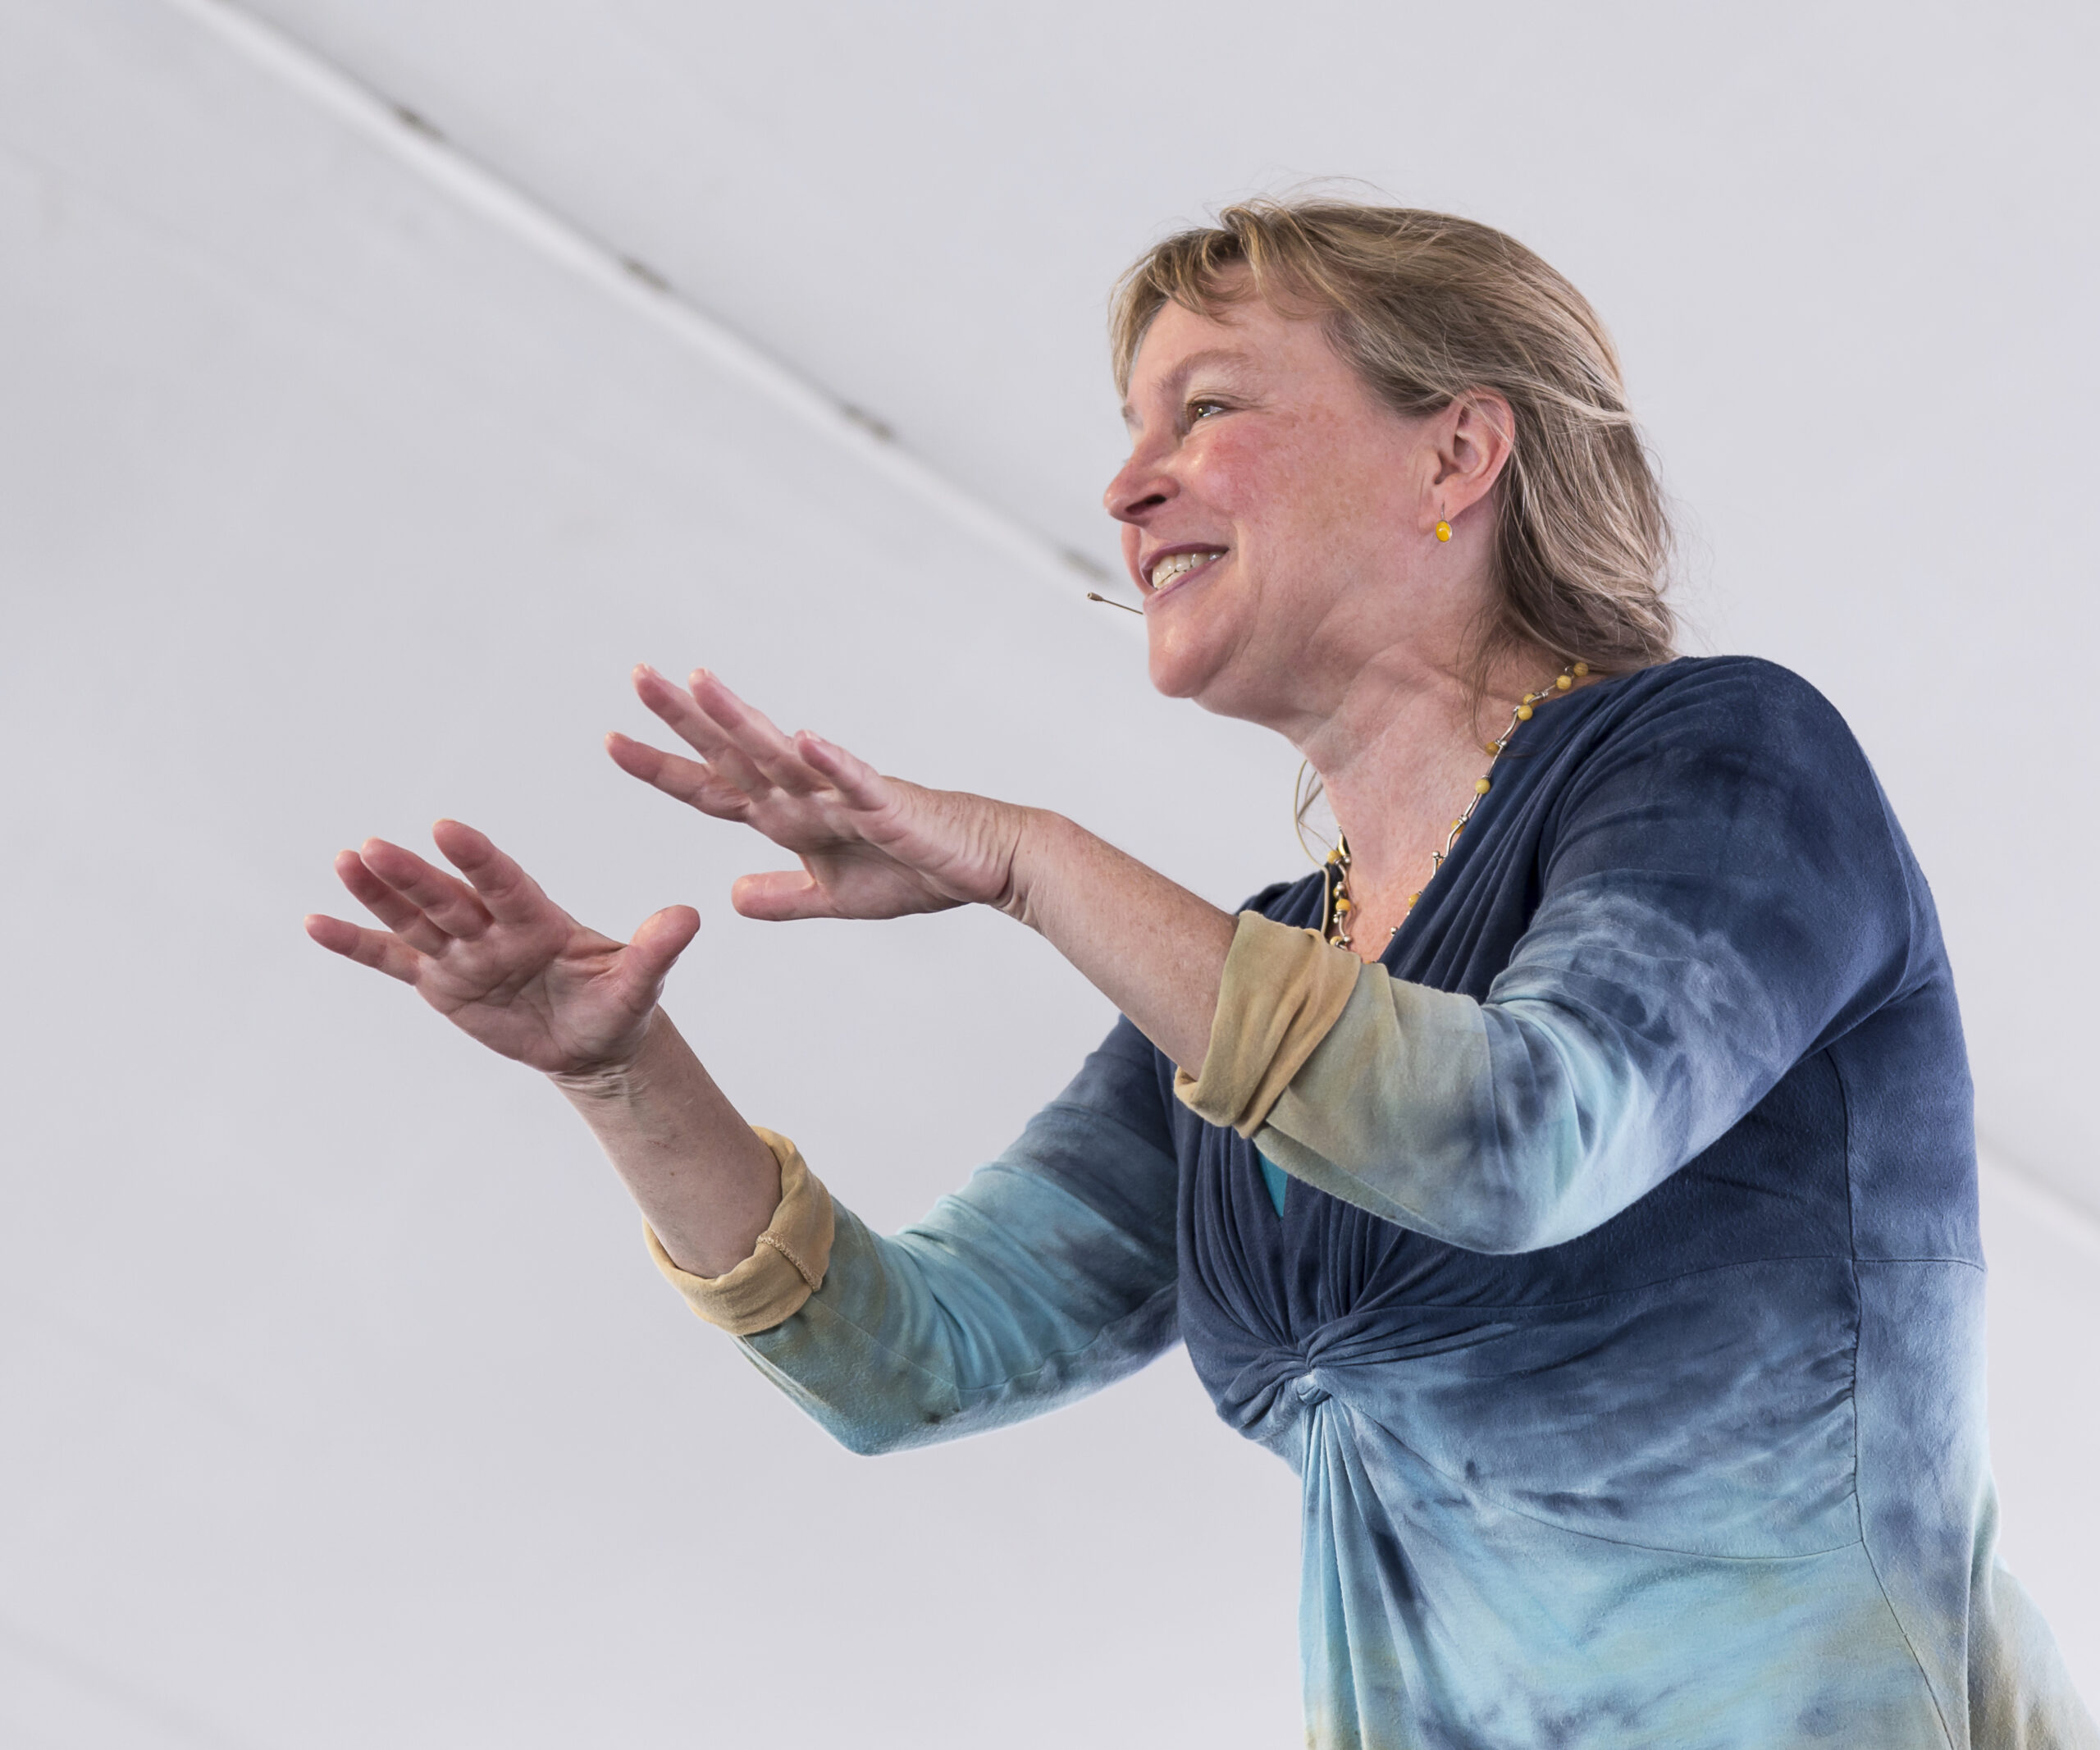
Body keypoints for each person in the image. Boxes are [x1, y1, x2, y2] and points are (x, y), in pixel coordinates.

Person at [306, 200, 2096, 1749]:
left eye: (1209, 406)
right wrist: (617, 1068)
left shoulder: (1727, 761)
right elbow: (909, 1358)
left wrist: (1030, 857)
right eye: (1128, 427)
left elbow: (1519, 1140)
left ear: (1457, 455)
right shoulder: (1257, 978)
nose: (1125, 482)